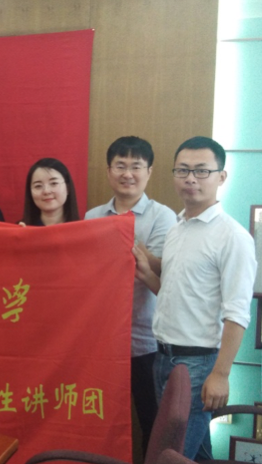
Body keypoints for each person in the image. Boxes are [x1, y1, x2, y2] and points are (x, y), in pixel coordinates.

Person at [134, 136, 257, 461]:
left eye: (201, 171)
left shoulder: (233, 237)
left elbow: (237, 313)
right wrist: (147, 270)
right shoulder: (178, 227)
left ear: (221, 176)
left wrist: (221, 374)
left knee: (170, 454)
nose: (191, 178)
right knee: (194, 453)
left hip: (198, 363)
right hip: (163, 357)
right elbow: (177, 290)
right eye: (183, 170)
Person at [85, 136, 177, 456]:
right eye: (120, 166)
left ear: (149, 172)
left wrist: (124, 239)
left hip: (145, 342)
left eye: (136, 166)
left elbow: (165, 269)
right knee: (101, 420)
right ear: (108, 171)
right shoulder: (92, 217)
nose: (128, 174)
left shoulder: (163, 216)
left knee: (152, 422)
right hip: (101, 342)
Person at [20, 158, 80, 226]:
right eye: (38, 186)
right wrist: (23, 232)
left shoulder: (81, 229)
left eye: (54, 183)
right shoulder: (22, 229)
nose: (46, 191)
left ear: (68, 188)